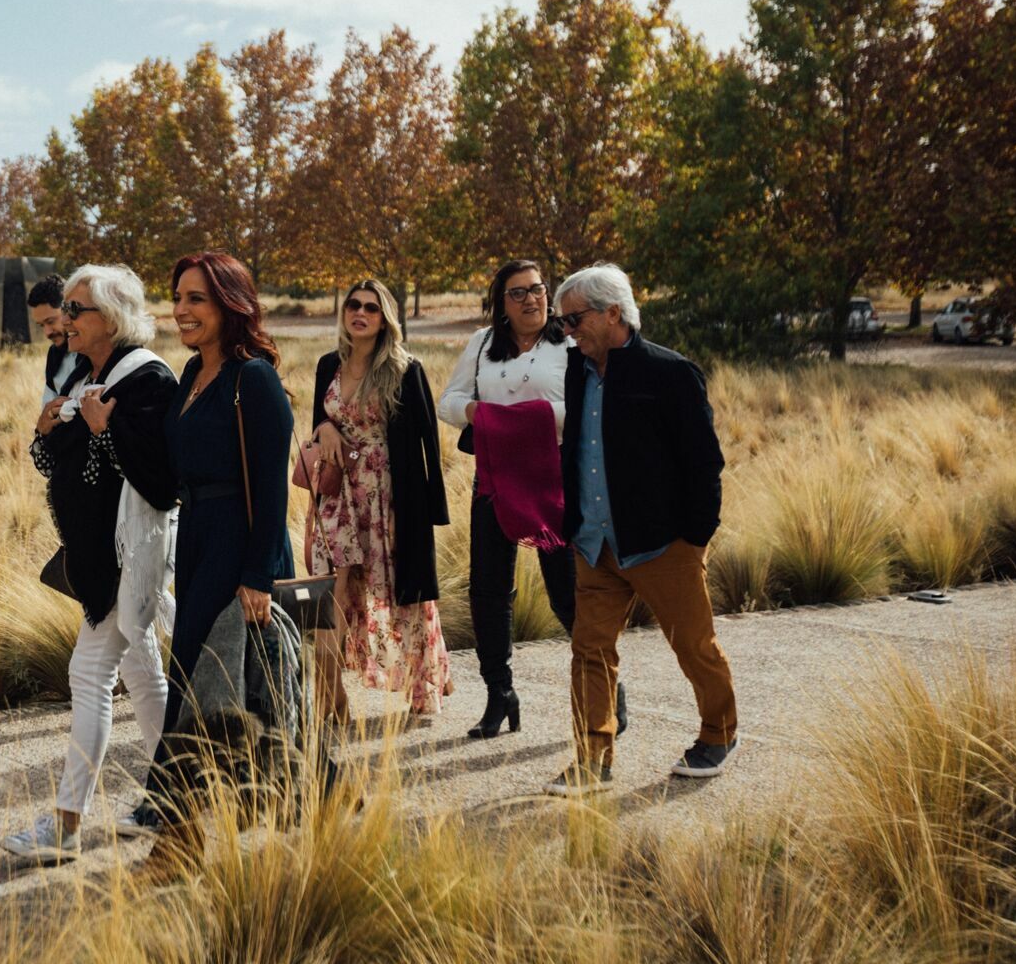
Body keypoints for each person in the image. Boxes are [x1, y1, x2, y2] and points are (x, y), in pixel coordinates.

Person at [124, 251, 294, 877]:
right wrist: (109, 431)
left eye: (197, 298)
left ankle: (177, 844)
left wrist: (257, 575)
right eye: (178, 297)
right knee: (237, 693)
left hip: (237, 545)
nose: (183, 310)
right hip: (194, 537)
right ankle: (325, 787)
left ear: (230, 304)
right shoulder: (191, 373)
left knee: (197, 692)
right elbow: (169, 477)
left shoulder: (254, 381)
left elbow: (272, 487)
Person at [2, 265, 177, 861]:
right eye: (66, 310)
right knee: (145, 675)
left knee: (89, 676)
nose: (65, 320)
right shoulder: (87, 374)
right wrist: (48, 428)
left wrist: (104, 430)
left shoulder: (148, 379)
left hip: (124, 560)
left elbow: (160, 479)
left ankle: (66, 825)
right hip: (100, 560)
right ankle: (175, 800)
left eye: (77, 311)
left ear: (113, 318)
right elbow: (63, 465)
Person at [544, 264, 737, 796]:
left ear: (613, 312)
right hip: (593, 542)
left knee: (693, 645)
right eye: (563, 322)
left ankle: (719, 734)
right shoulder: (577, 373)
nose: (568, 330)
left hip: (662, 542)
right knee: (590, 650)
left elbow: (705, 464)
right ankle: (593, 758)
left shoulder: (671, 373)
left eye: (575, 319)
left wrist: (695, 537)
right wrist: (573, 521)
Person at [438, 260, 625, 740]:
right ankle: (500, 696)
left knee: (565, 591)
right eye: (518, 293)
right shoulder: (482, 344)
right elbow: (449, 402)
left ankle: (609, 691)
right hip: (496, 477)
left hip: (554, 478)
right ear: (501, 302)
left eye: (538, 290)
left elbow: (589, 406)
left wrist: (528, 417)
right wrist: (478, 411)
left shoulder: (569, 343)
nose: (531, 300)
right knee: (488, 590)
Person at [308, 278, 450, 724]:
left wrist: (431, 510)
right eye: (354, 304)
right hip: (335, 496)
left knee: (403, 597)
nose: (361, 312)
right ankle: (332, 700)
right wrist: (324, 427)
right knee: (327, 589)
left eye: (371, 307)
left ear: (384, 318)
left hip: (387, 498)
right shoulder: (328, 364)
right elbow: (318, 418)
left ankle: (424, 686)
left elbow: (428, 441)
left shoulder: (405, 369)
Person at [30, 273, 87, 406]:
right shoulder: (54, 354)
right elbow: (48, 406)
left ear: (69, 310)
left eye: (50, 321)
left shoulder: (97, 350)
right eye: (41, 325)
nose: (47, 333)